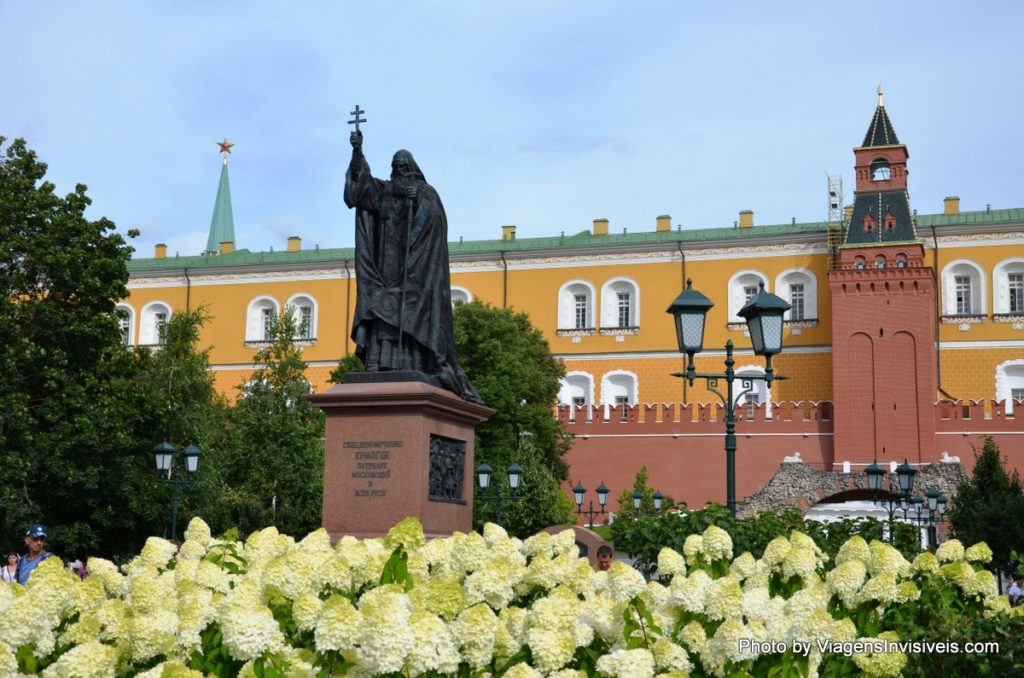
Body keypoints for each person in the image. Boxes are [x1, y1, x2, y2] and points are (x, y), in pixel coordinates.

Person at [344, 130, 482, 404]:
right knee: (381, 307)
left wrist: (416, 198)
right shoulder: (385, 191)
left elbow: (436, 221)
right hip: (385, 265)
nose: (399, 172)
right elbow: (359, 194)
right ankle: (380, 363)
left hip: (417, 268)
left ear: (413, 170)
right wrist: (357, 153)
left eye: (404, 168)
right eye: (395, 168)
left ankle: (416, 360)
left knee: (413, 313)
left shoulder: (426, 192)